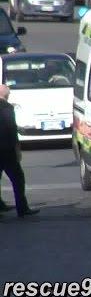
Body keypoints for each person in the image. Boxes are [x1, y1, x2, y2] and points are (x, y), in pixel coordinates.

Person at [0, 84, 39, 218]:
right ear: (6, 95)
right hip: (6, 150)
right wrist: (17, 149)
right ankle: (22, 208)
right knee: (18, 178)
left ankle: (0, 205)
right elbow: (11, 129)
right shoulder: (7, 107)